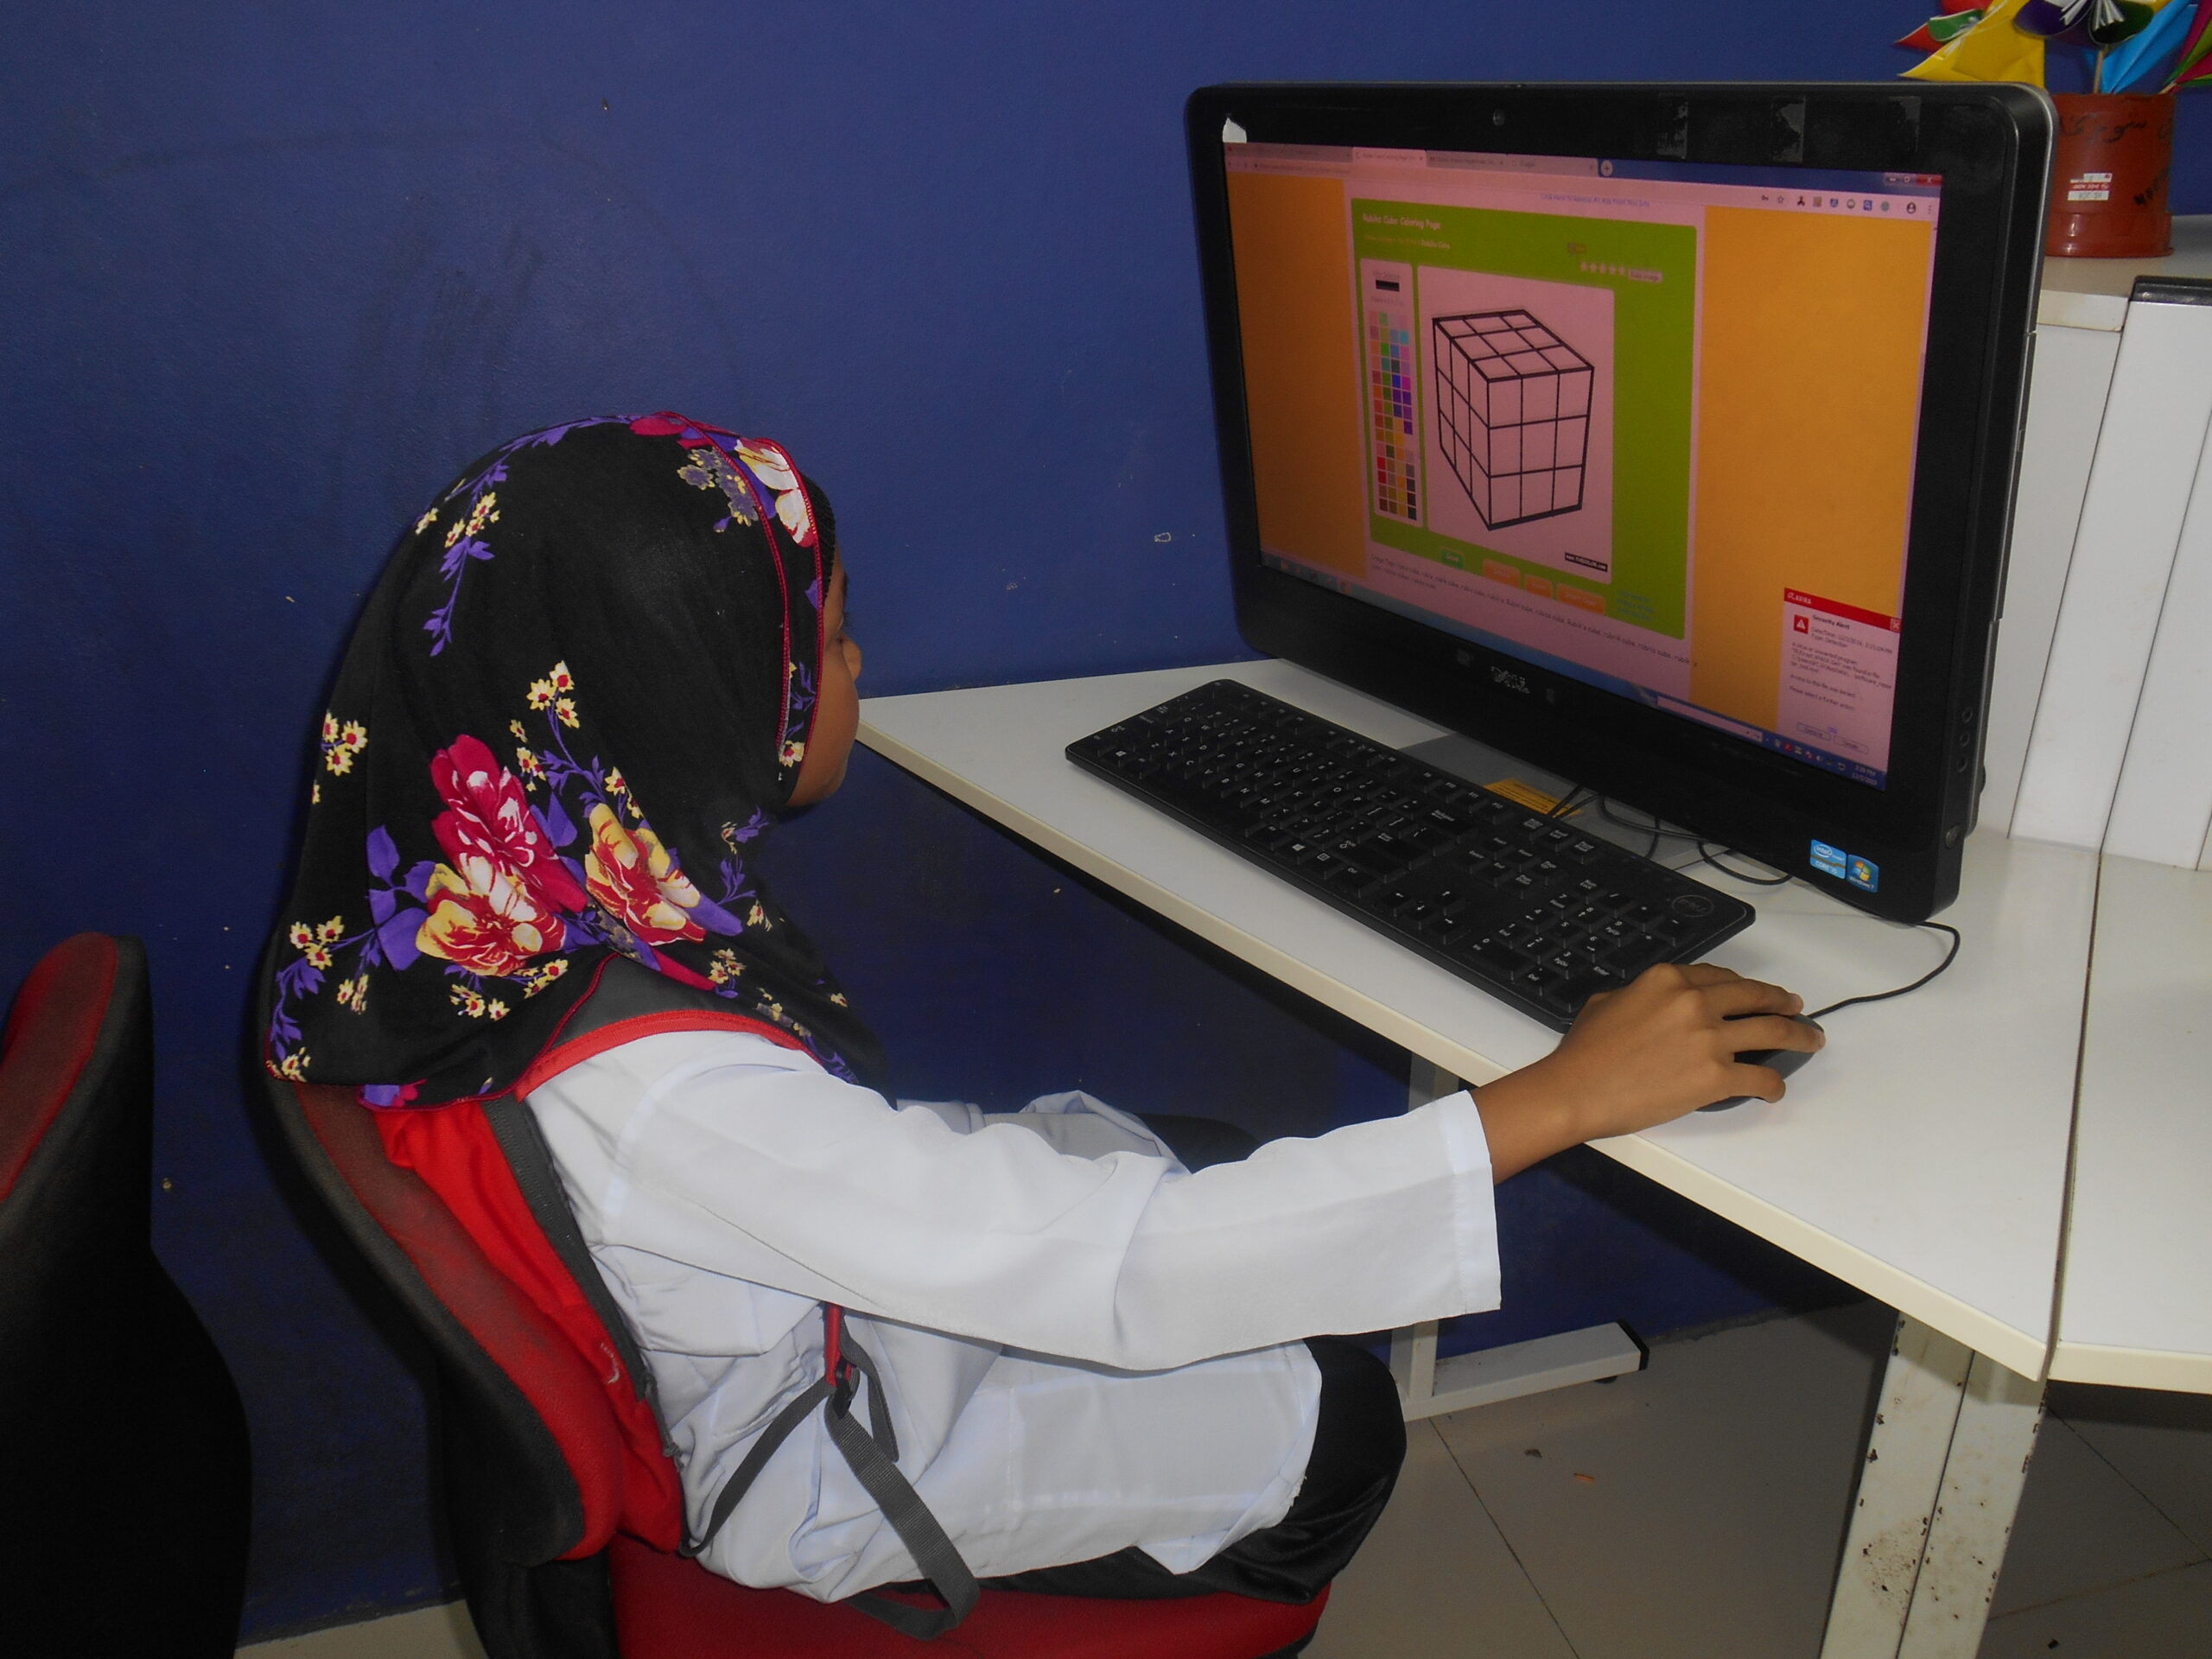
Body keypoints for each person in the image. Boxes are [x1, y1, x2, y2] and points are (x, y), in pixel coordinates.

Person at [264, 415, 1819, 1626]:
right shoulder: (665, 1091)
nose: (856, 666)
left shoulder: (487, 905)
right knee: (1340, 1418)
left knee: (1206, 1160)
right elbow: (1123, 1271)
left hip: (778, 1304)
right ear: (690, 702)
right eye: (826, 646)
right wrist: (1559, 1098)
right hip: (806, 1454)